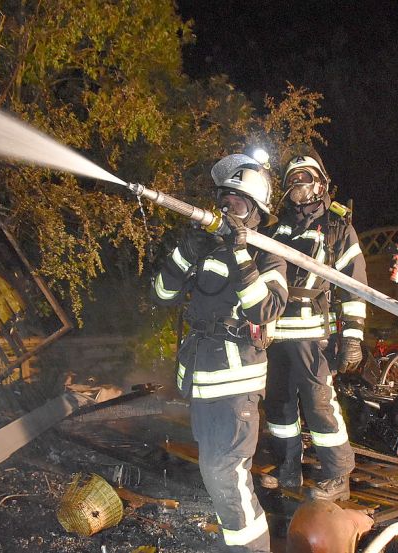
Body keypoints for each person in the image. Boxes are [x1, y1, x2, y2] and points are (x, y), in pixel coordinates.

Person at [152, 153, 288, 553]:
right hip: (202, 382)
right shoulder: (205, 249)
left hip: (236, 385)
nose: (228, 209)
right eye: (224, 200)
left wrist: (240, 253)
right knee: (217, 477)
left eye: (239, 202)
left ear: (256, 211)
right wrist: (184, 251)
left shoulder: (268, 254)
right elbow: (162, 295)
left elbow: (263, 309)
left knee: (225, 474)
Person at [262, 146, 367, 502]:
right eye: (293, 182)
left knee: (320, 404)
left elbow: (355, 285)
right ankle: (287, 467)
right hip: (276, 335)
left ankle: (338, 474)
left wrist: (352, 338)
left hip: (313, 336)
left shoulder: (338, 228)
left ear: (321, 185)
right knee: (278, 406)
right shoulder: (275, 231)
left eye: (305, 180)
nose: (298, 188)